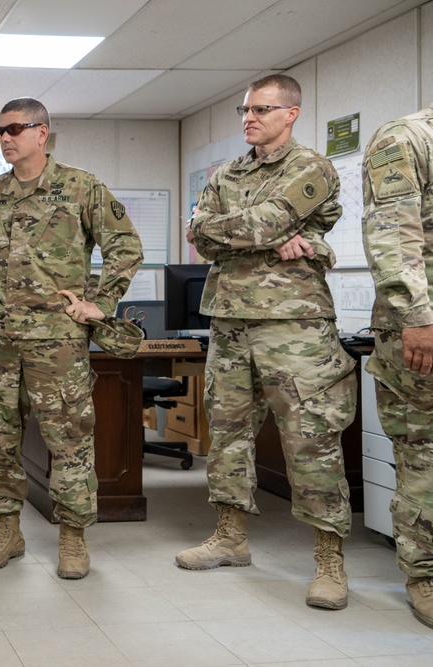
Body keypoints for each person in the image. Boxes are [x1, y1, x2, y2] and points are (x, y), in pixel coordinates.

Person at [178, 74, 357, 611]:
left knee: (310, 438)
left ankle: (330, 561)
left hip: (293, 323)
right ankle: (230, 538)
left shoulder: (313, 167)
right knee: (228, 432)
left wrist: (249, 228)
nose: (248, 118)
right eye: (244, 109)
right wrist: (262, 233)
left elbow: (264, 221)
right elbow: (199, 235)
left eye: (260, 109)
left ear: (291, 113)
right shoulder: (229, 171)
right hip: (230, 318)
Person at [0, 97, 143, 579]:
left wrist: (99, 304)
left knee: (69, 440)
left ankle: (73, 536)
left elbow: (125, 246)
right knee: (0, 440)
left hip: (57, 341)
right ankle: (7, 530)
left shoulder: (81, 187)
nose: (5, 138)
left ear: (42, 133)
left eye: (14, 129)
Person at [361, 104, 433, 628]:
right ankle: (425, 575)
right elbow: (393, 236)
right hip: (424, 328)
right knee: (425, 455)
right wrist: (417, 316)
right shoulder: (405, 138)